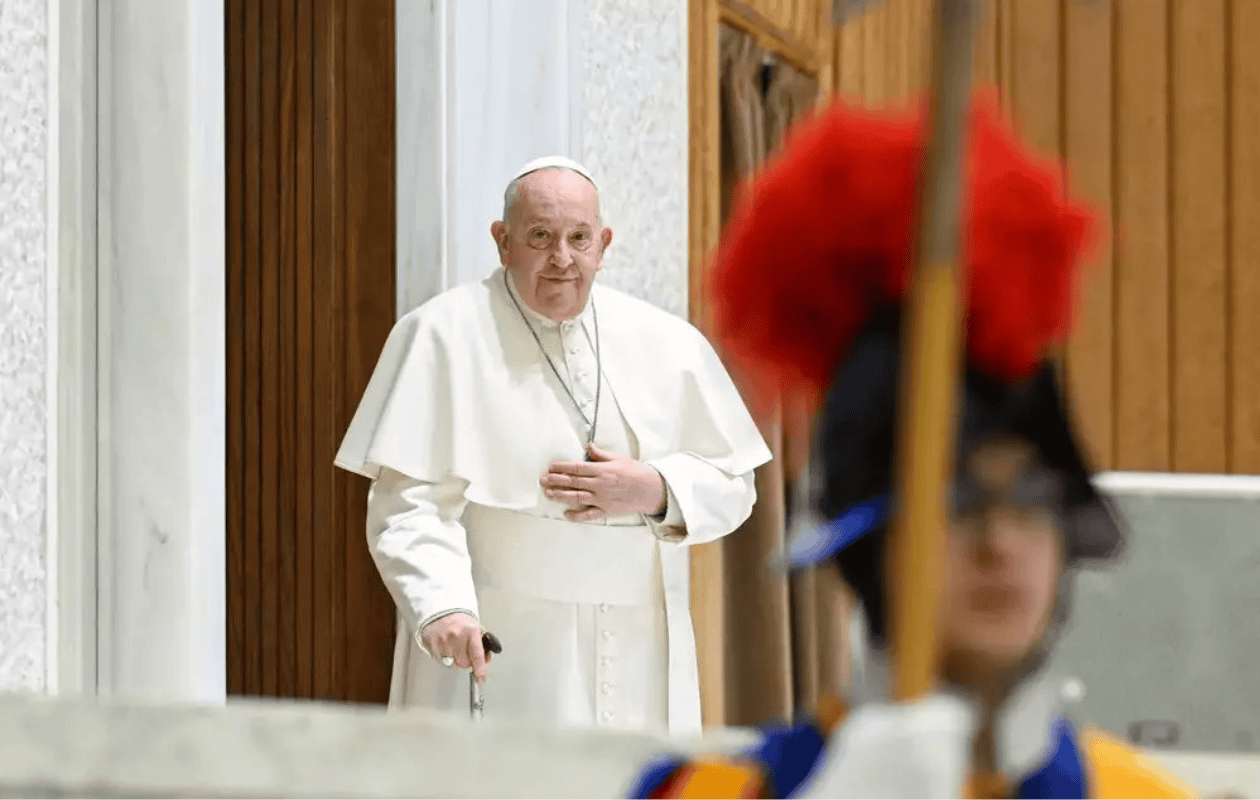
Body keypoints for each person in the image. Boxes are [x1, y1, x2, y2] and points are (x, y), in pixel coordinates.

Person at [627, 96, 1199, 797]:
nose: (1000, 542)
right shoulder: (706, 791)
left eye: (1032, 499)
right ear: (868, 542)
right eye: (957, 501)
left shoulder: (1145, 797)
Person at [334, 155, 771, 736]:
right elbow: (407, 504)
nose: (562, 258)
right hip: (506, 638)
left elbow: (736, 487)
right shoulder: (441, 334)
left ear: (603, 243)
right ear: (503, 241)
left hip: (641, 643)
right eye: (540, 236)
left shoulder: (668, 343)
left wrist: (657, 489)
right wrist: (443, 606)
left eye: (578, 238)